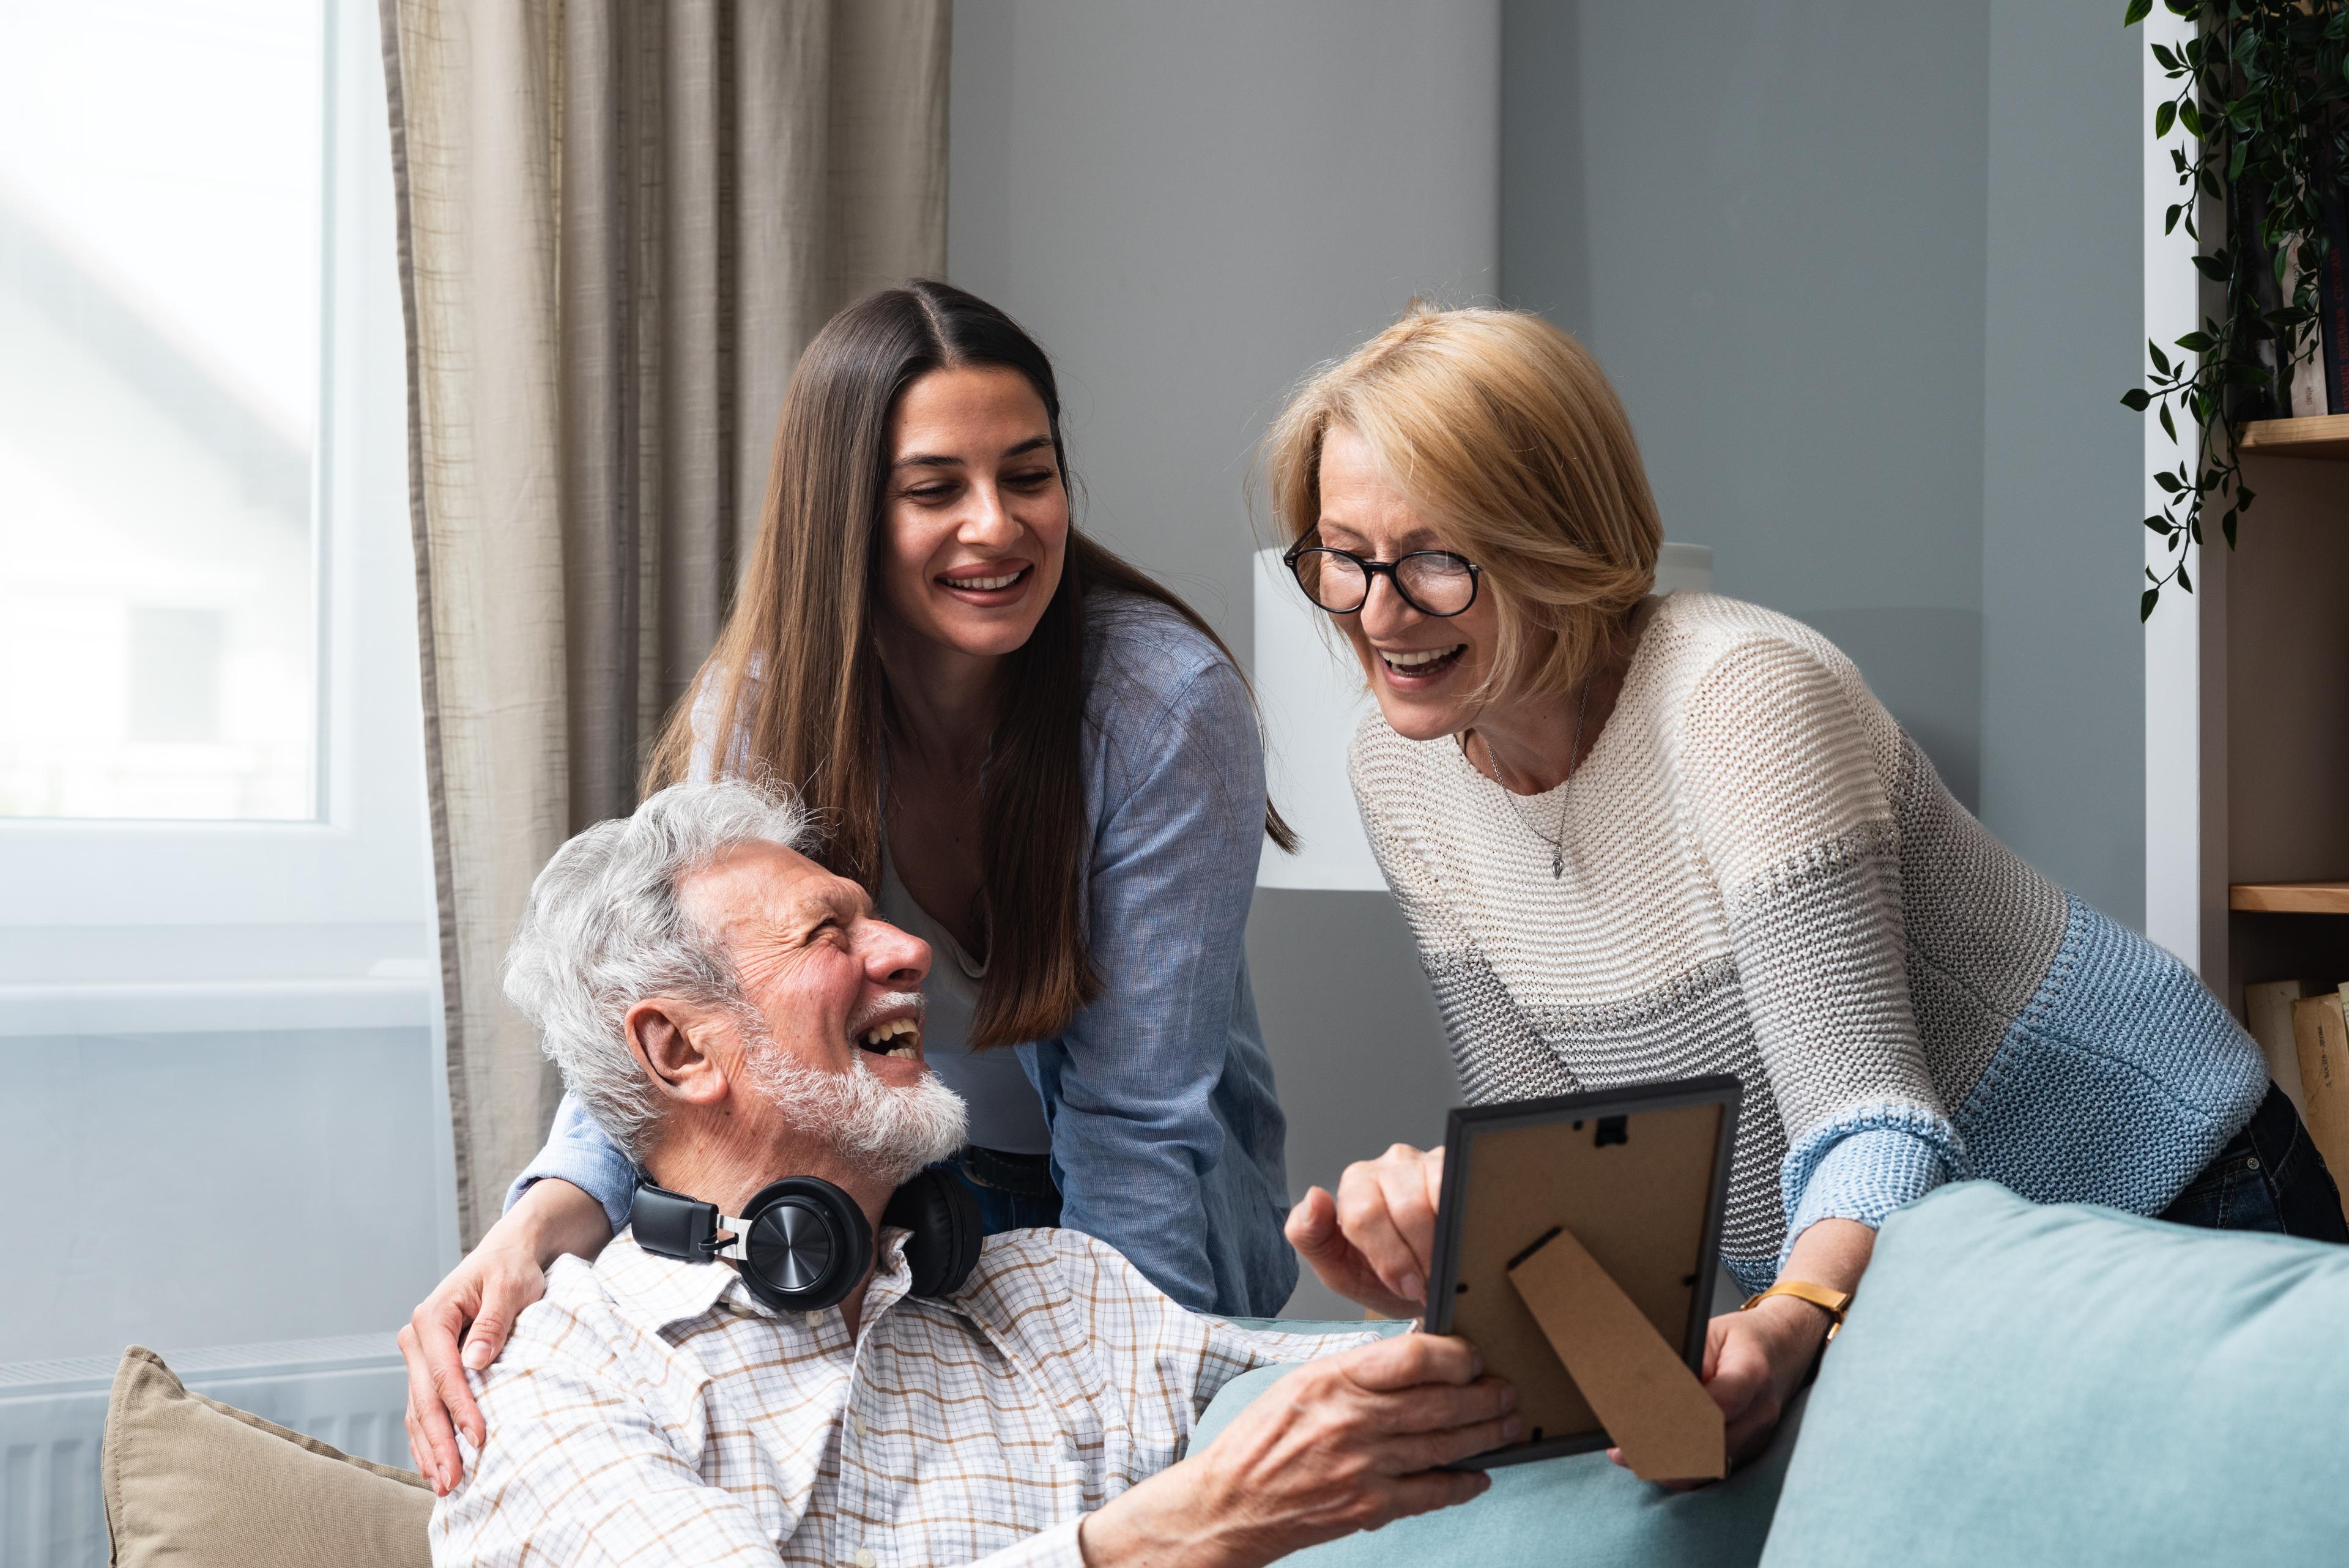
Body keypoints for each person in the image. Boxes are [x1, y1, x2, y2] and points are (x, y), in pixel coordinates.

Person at [1266, 304, 2348, 1479]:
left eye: (1432, 559)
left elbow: (1870, 1118)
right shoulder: (1400, 772)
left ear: (1556, 542)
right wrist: (1468, 1266)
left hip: (2158, 1194)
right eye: (1341, 554)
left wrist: (1790, 1325)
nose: (1376, 614)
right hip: (1903, 1260)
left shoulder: (1740, 697)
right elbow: (1578, 1157)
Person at [404, 282, 1299, 1492]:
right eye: (935, 489)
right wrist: (534, 1226)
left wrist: (1148, 1446)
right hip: (881, 1194)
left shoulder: (1164, 708)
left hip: (1123, 1200)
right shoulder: (764, 707)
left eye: (1029, 475)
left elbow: (1137, 1122)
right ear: (848, 515)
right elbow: (671, 999)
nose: (997, 526)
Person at [425, 779, 1515, 1568]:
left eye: (877, 916)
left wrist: (1460, 1281)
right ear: (680, 1051)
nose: (909, 952)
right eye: (827, 934)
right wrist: (1169, 1534)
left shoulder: (1063, 1296)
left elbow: (1434, 1413)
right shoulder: (551, 1379)